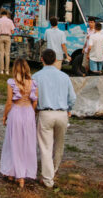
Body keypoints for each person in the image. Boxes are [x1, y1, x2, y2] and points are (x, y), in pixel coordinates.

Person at [32, 49, 76, 189]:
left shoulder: (36, 76)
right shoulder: (64, 76)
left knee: (45, 146)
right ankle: (53, 170)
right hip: (62, 113)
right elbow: (73, 97)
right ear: (56, 60)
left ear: (42, 59)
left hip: (46, 112)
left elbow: (33, 97)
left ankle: (48, 178)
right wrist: (69, 109)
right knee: (59, 144)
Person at [0, 58, 38, 188]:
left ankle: (13, 173)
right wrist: (31, 114)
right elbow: (35, 102)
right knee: (26, 143)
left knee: (13, 142)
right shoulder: (33, 83)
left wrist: (4, 116)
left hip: (16, 112)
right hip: (28, 112)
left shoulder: (12, 82)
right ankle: (21, 175)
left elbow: (9, 102)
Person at [0, 10, 15, 76]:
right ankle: (7, 70)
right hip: (8, 37)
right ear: (7, 14)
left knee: (1, 53)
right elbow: (13, 31)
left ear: (1, 14)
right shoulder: (10, 21)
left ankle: (1, 70)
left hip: (1, 36)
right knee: (7, 54)